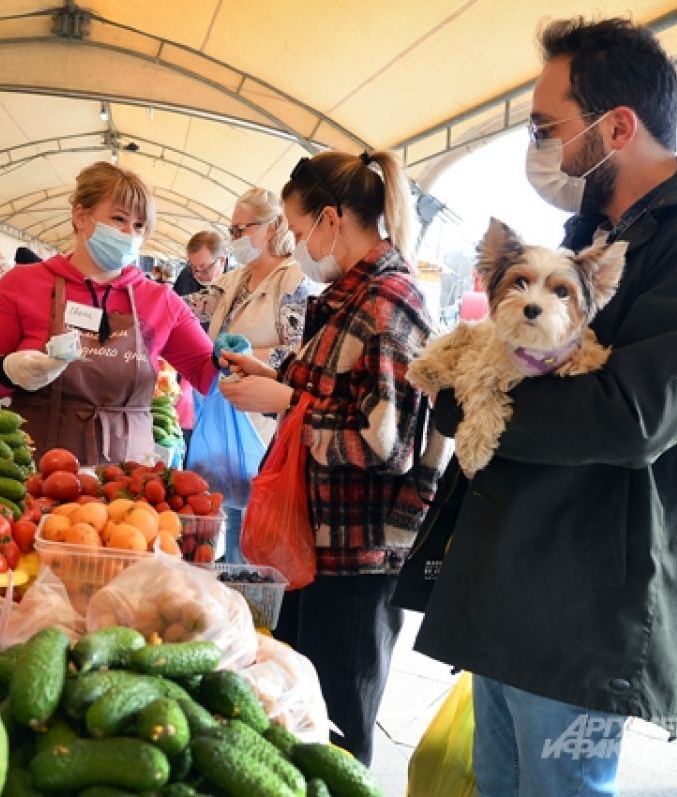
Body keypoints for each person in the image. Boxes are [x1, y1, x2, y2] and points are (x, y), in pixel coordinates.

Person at [413, 17, 677, 797]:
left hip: (586, 604)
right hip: (517, 580)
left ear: (618, 126)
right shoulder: (595, 234)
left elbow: (632, 414)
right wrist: (467, 388)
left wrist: (473, 408)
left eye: (548, 126)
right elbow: (510, 360)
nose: (538, 145)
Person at [220, 150, 440, 764]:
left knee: (337, 735)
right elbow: (332, 390)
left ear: (332, 219)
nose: (295, 244)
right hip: (316, 546)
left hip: (357, 558)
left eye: (295, 229)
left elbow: (387, 446)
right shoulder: (349, 295)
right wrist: (269, 376)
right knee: (297, 713)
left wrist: (286, 397)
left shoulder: (388, 302)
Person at [0, 162, 218, 465]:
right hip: (33, 472)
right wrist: (6, 370)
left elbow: (207, 376)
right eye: (119, 219)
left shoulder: (161, 300)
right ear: (80, 216)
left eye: (139, 226)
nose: (129, 233)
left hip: (125, 483)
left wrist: (230, 357)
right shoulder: (21, 285)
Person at [186, 187, 319, 564]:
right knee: (225, 510)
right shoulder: (234, 281)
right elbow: (186, 309)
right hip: (225, 407)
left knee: (252, 517)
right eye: (231, 230)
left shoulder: (292, 281)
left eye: (243, 229)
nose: (235, 238)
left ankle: (249, 598)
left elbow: (300, 351)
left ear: (274, 225)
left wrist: (248, 355)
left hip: (262, 416)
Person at [173, 231, 227, 301]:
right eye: (193, 267)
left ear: (222, 261)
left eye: (204, 270)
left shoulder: (236, 285)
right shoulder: (185, 275)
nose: (197, 275)